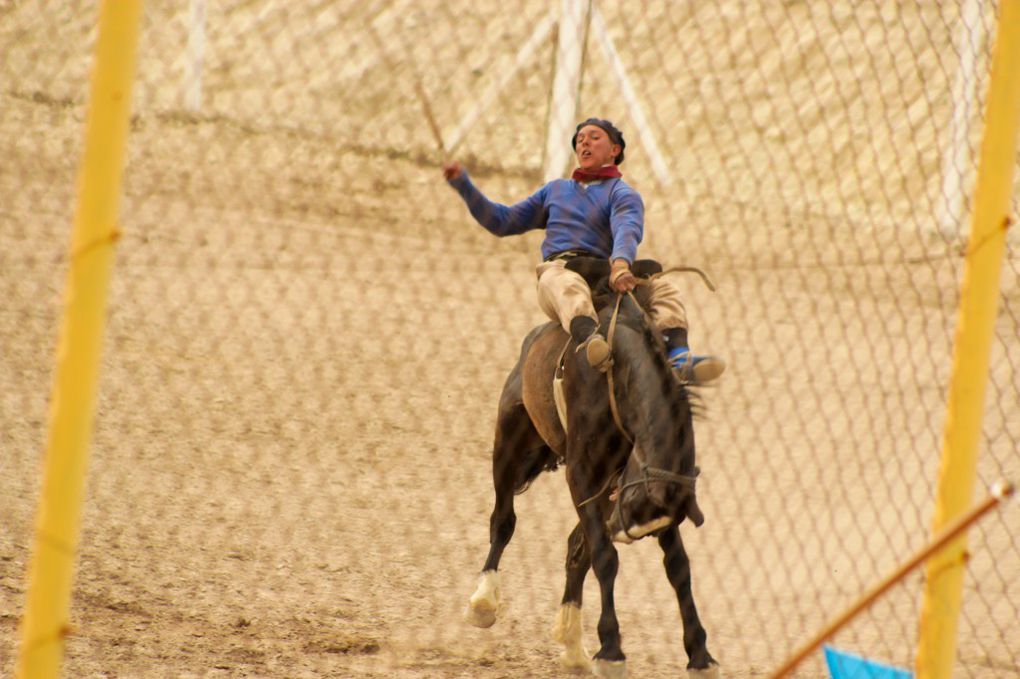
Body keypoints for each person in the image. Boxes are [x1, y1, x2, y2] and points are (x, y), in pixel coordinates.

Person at [443, 117, 724, 384]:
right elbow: (502, 221)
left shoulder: (622, 193)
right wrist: (464, 185)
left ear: (614, 150)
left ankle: (679, 356)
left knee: (663, 289)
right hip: (562, 269)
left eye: (594, 137)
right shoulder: (554, 191)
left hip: (608, 275)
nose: (584, 143)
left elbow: (627, 227)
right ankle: (591, 341)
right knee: (565, 284)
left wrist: (621, 265)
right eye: (579, 140)